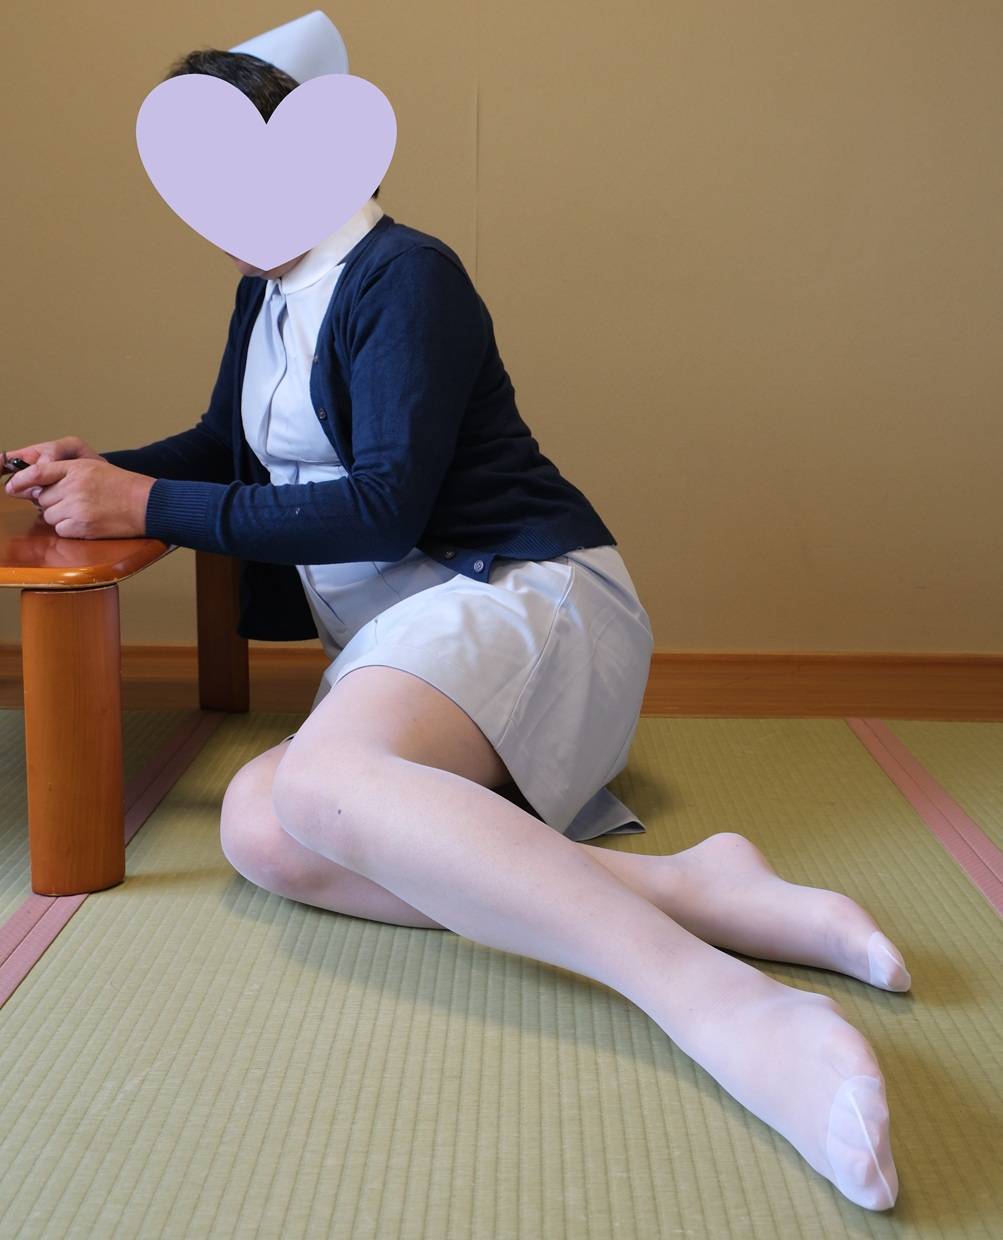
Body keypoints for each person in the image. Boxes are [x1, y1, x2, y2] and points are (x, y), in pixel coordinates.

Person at [3, 34, 910, 1213]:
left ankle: (727, 1005)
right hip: (413, 639)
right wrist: (102, 469)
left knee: (318, 786)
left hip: (525, 595)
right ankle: (695, 886)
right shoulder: (265, 289)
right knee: (263, 831)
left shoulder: (405, 275)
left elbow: (385, 504)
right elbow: (228, 446)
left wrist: (144, 504)